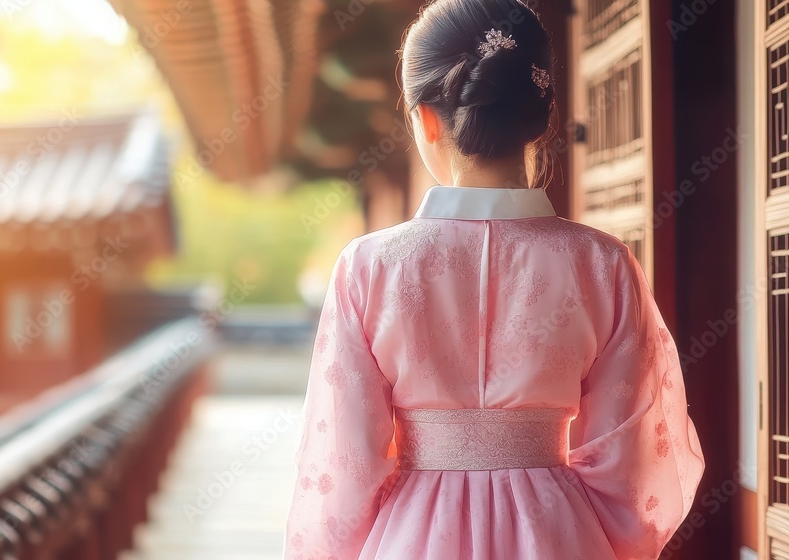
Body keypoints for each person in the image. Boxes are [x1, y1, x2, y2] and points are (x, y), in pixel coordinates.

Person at [282, 0, 705, 558]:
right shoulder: (602, 265)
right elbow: (638, 464)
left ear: (425, 119)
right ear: (540, 112)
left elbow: (343, 464)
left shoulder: (368, 269)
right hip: (560, 534)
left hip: (412, 537)